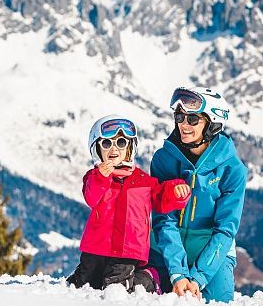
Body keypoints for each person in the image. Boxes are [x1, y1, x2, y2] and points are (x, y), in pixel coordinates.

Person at [67, 115, 191, 292]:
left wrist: (176, 191)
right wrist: (102, 177)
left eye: (121, 143)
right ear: (96, 148)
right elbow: (91, 198)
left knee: (115, 289)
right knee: (82, 285)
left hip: (127, 250)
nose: (114, 149)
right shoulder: (94, 178)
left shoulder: (143, 181)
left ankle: (147, 278)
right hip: (96, 247)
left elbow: (161, 198)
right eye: (107, 144)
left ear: (130, 147)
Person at [149, 87, 248, 302]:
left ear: (212, 124)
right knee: (148, 296)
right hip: (166, 247)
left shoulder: (232, 169)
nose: (183, 125)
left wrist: (198, 277)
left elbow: (225, 230)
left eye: (193, 120)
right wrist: (177, 272)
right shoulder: (164, 160)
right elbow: (164, 220)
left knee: (218, 300)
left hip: (211, 250)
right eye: (180, 117)